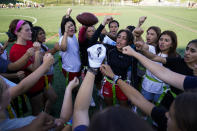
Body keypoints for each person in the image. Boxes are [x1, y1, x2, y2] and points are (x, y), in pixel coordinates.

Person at [72, 44, 153, 131]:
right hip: (113, 82)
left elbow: (80, 111)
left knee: (123, 104)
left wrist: (93, 67)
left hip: (119, 81)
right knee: (110, 103)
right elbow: (80, 111)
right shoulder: (112, 51)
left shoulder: (126, 56)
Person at [100, 64, 197, 131]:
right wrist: (114, 77)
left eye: (171, 115)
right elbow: (139, 100)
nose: (166, 115)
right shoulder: (165, 120)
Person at [136, 39, 197, 108]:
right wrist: (142, 50)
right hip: (169, 99)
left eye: (192, 51)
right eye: (187, 49)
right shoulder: (178, 61)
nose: (187, 53)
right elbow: (155, 57)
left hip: (186, 105)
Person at [8, 19, 46, 115]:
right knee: (37, 111)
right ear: (17, 32)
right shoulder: (16, 50)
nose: (31, 32)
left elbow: (39, 58)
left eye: (30, 29)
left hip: (39, 80)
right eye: (27, 30)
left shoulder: (28, 43)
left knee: (43, 105)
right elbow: (34, 69)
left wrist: (39, 54)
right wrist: (37, 52)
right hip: (33, 85)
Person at [140, 30, 180, 104]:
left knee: (157, 109)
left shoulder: (175, 58)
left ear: (172, 44)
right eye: (161, 39)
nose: (162, 42)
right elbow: (143, 46)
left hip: (163, 89)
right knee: (145, 105)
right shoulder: (153, 49)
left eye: (166, 40)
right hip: (147, 86)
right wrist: (138, 36)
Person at [32, 26, 58, 114]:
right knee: (54, 97)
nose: (43, 35)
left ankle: (45, 110)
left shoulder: (42, 45)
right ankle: (45, 113)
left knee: (45, 96)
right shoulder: (36, 47)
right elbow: (42, 55)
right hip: (43, 77)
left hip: (49, 75)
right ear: (35, 36)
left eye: (43, 33)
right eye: (40, 34)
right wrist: (55, 49)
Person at [59, 15, 81, 84]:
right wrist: (65, 32)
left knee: (77, 86)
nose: (70, 28)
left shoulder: (73, 36)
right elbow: (63, 48)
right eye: (67, 27)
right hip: (70, 70)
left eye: (72, 25)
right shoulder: (63, 39)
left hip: (77, 68)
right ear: (64, 29)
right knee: (73, 88)